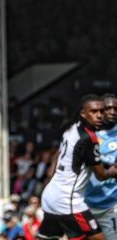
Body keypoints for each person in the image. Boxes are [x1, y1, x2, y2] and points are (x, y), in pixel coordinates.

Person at [37, 94, 117, 240]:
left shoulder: (72, 127)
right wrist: (112, 171)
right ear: (83, 113)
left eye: (101, 111)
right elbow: (101, 175)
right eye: (94, 112)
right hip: (68, 200)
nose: (99, 115)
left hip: (51, 196)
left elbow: (82, 159)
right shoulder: (89, 138)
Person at [85, 93, 117, 240]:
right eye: (108, 108)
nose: (112, 112)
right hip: (85, 203)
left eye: (116, 109)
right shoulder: (87, 134)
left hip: (111, 205)